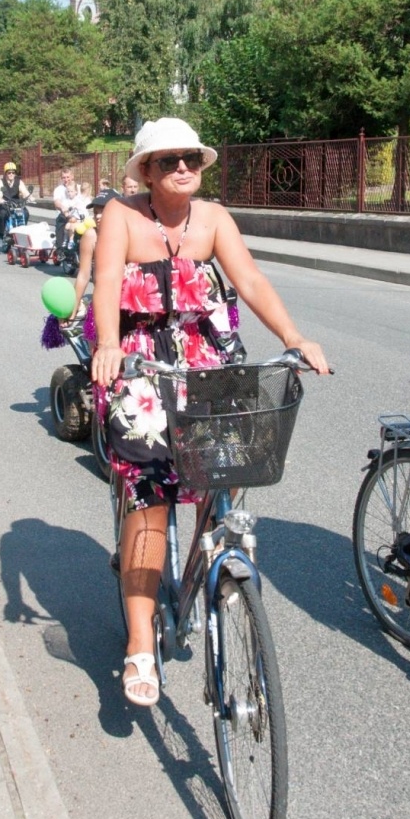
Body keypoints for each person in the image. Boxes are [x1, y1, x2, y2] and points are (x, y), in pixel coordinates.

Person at [89, 118, 330, 707]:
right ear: (146, 170)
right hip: (142, 366)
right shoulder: (121, 215)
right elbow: (105, 282)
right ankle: (140, 644)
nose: (182, 167)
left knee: (225, 470)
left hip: (206, 362)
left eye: (191, 158)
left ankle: (208, 562)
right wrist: (109, 344)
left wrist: (295, 337)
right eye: (168, 160)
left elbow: (250, 280)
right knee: (150, 500)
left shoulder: (215, 218)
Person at [52, 169, 90, 255]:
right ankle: (60, 249)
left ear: (72, 176)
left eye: (68, 177)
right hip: (65, 213)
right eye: (64, 177)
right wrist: (63, 208)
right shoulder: (59, 189)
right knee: (61, 221)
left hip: (78, 214)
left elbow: (85, 197)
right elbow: (57, 202)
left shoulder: (79, 188)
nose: (66, 179)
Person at [0, 162, 32, 247]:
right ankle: (1, 236)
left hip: (17, 204)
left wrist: (30, 197)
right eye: (9, 172)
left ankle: (22, 232)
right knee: (2, 215)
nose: (11, 174)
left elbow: (24, 191)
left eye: (13, 172)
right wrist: (0, 199)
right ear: (5, 173)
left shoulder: (18, 181)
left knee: (26, 213)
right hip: (5, 204)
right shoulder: (1, 182)